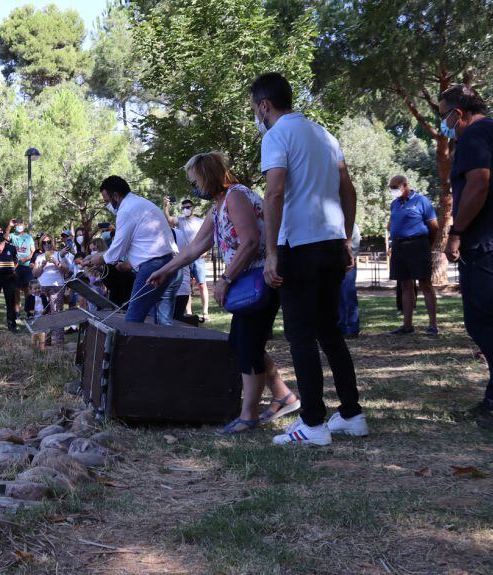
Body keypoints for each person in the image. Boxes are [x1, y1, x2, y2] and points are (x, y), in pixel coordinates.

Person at [251, 72, 365, 446]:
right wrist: (346, 238)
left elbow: (274, 193)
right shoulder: (324, 135)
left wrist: (270, 253)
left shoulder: (277, 136)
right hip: (332, 244)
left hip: (298, 247)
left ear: (264, 105)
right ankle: (351, 413)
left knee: (300, 334)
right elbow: (348, 190)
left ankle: (313, 424)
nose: (255, 113)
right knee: (329, 331)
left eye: (254, 108)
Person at [149, 152, 299, 434]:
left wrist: (226, 279)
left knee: (247, 345)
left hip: (260, 280)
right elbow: (194, 248)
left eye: (195, 181)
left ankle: (248, 415)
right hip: (248, 282)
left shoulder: (236, 197)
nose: (194, 188)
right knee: (241, 342)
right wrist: (166, 270)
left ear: (208, 177)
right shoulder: (217, 207)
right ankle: (284, 396)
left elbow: (252, 241)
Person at [440, 85, 493, 431]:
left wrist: (457, 231)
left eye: (443, 114)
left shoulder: (475, 135)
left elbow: (478, 184)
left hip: (484, 245)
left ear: (458, 113)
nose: (444, 123)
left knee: (482, 322)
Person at [85, 176, 175, 322]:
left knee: (133, 319)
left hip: (154, 266)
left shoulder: (126, 210)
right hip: (167, 262)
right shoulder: (139, 203)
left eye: (107, 201)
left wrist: (98, 258)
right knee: (156, 319)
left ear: (116, 196)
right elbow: (134, 244)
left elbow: (117, 249)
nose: (106, 205)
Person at [387, 175, 440, 336]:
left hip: (418, 245)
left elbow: (434, 227)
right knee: (405, 285)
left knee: (425, 284)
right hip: (399, 246)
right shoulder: (394, 204)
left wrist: (425, 245)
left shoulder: (421, 201)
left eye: (395, 187)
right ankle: (407, 326)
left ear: (404, 185)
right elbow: (392, 225)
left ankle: (433, 325)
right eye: (391, 188)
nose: (393, 190)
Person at [164, 197, 210, 321]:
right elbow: (169, 219)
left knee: (202, 284)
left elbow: (208, 236)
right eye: (183, 208)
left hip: (198, 257)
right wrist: (166, 206)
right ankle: (188, 312)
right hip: (185, 258)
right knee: (186, 286)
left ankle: (205, 312)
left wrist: (204, 251)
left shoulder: (200, 221)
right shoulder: (180, 221)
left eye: (188, 207)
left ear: (193, 208)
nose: (186, 209)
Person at [32, 235, 74, 347]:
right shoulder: (39, 257)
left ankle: (60, 343)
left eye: (49, 241)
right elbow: (34, 274)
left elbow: (66, 270)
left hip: (56, 286)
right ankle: (46, 341)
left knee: (57, 313)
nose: (47, 244)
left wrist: (56, 262)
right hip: (42, 287)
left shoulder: (59, 254)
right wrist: (42, 266)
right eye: (44, 242)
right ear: (41, 245)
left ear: (52, 242)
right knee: (44, 314)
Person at [9, 218, 37, 321]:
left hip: (26, 267)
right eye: (17, 224)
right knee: (16, 290)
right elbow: (4, 237)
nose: (19, 226)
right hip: (15, 267)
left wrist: (26, 259)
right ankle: (16, 312)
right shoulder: (12, 236)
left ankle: (29, 312)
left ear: (24, 226)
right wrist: (9, 226)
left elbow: (33, 251)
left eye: (21, 224)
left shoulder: (28, 238)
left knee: (28, 290)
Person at [338, 224, 361, 338]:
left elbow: (354, 243)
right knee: (337, 297)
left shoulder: (350, 224)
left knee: (348, 295)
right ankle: (340, 327)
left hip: (347, 263)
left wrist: (349, 257)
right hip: (333, 263)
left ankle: (352, 328)